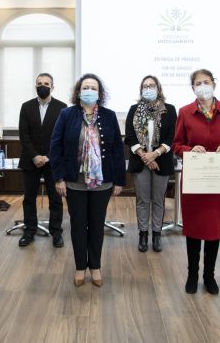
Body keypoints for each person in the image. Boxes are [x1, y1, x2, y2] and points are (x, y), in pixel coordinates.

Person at [50, 73, 125, 287]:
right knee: (77, 225)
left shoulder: (110, 116)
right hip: (74, 181)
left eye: (93, 88)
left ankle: (95, 266)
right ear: (78, 91)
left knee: (96, 225)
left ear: (99, 93)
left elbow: (117, 151)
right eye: (86, 87)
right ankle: (80, 267)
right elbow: (55, 147)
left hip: (102, 182)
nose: (89, 91)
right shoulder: (66, 114)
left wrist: (119, 180)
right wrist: (58, 178)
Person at [172, 69, 220, 295]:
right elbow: (177, 144)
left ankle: (209, 276)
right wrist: (190, 150)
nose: (203, 86)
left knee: (213, 229)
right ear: (193, 88)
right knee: (193, 228)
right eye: (198, 83)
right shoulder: (185, 112)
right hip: (195, 178)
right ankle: (192, 274)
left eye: (206, 82)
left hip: (219, 179)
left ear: (214, 84)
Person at [125, 75, 177, 253]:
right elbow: (130, 136)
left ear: (158, 88)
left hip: (161, 161)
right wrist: (145, 156)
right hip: (140, 161)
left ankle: (156, 235)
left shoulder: (169, 110)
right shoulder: (133, 109)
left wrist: (154, 154)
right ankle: (143, 234)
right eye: (145, 86)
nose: (148, 88)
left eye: (152, 85)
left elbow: (171, 137)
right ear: (141, 90)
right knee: (142, 200)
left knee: (158, 200)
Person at [17, 73, 67, 247]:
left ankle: (56, 232)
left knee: (55, 198)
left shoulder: (62, 108)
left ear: (52, 87)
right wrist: (35, 156)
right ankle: (29, 231)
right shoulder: (26, 107)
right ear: (35, 86)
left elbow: (62, 137)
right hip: (31, 160)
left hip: (53, 160)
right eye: (39, 83)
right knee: (29, 198)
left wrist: (47, 156)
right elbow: (23, 134)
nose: (43, 86)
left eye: (46, 83)